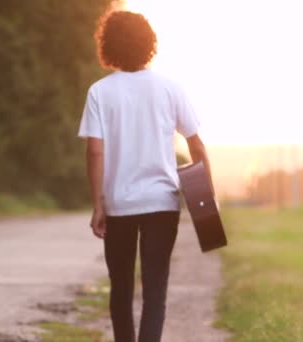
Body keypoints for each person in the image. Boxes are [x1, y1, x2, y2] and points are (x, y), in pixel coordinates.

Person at [77, 9, 214, 342]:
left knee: (121, 288)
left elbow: (95, 152)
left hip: (119, 204)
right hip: (161, 203)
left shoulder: (100, 92)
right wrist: (207, 203)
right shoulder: (170, 88)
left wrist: (98, 205)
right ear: (148, 44)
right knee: (155, 290)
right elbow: (196, 146)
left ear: (107, 45)